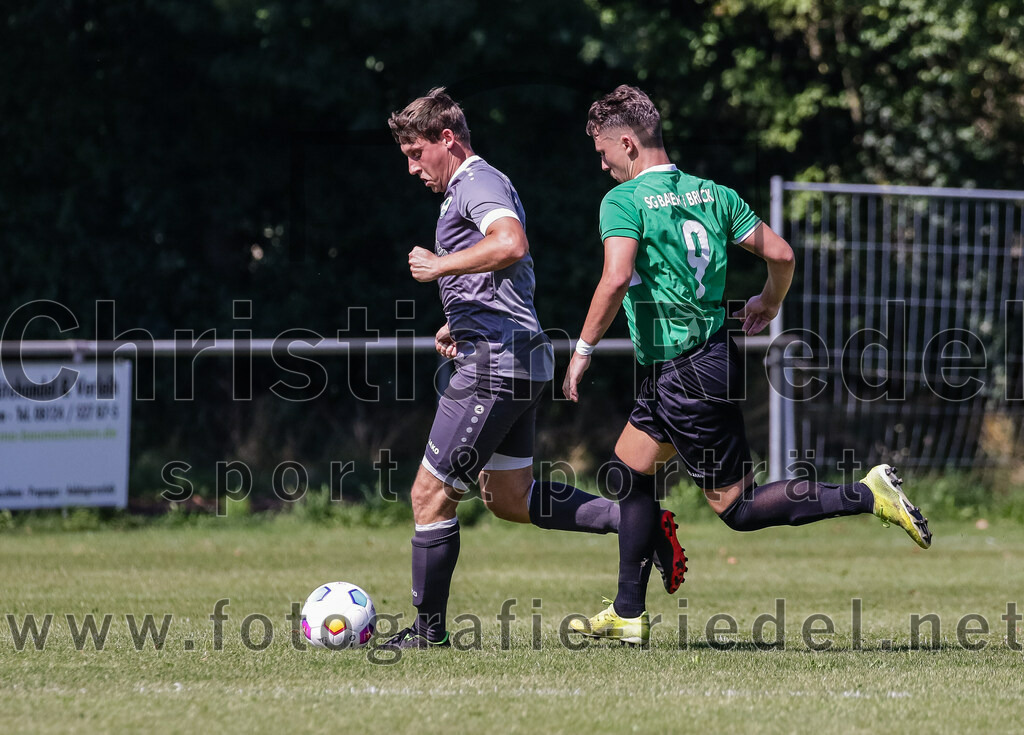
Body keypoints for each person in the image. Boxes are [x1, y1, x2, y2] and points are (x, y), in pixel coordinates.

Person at [563, 85, 932, 647]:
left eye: (602, 151)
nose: (601, 162)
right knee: (627, 470)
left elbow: (615, 278)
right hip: (696, 363)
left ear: (628, 143)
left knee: (738, 508)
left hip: (684, 373)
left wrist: (583, 348)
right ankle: (627, 610)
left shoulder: (624, 202)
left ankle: (869, 494)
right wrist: (770, 302)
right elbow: (781, 254)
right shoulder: (713, 193)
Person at [382, 88, 688, 649]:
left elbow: (511, 244)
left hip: (496, 365)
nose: (411, 168)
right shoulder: (475, 186)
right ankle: (635, 525)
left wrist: (439, 266)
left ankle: (427, 634)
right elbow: (504, 268)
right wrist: (464, 317)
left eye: (415, 153)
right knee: (510, 499)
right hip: (514, 354)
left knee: (428, 495)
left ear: (446, 139)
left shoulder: (476, 182)